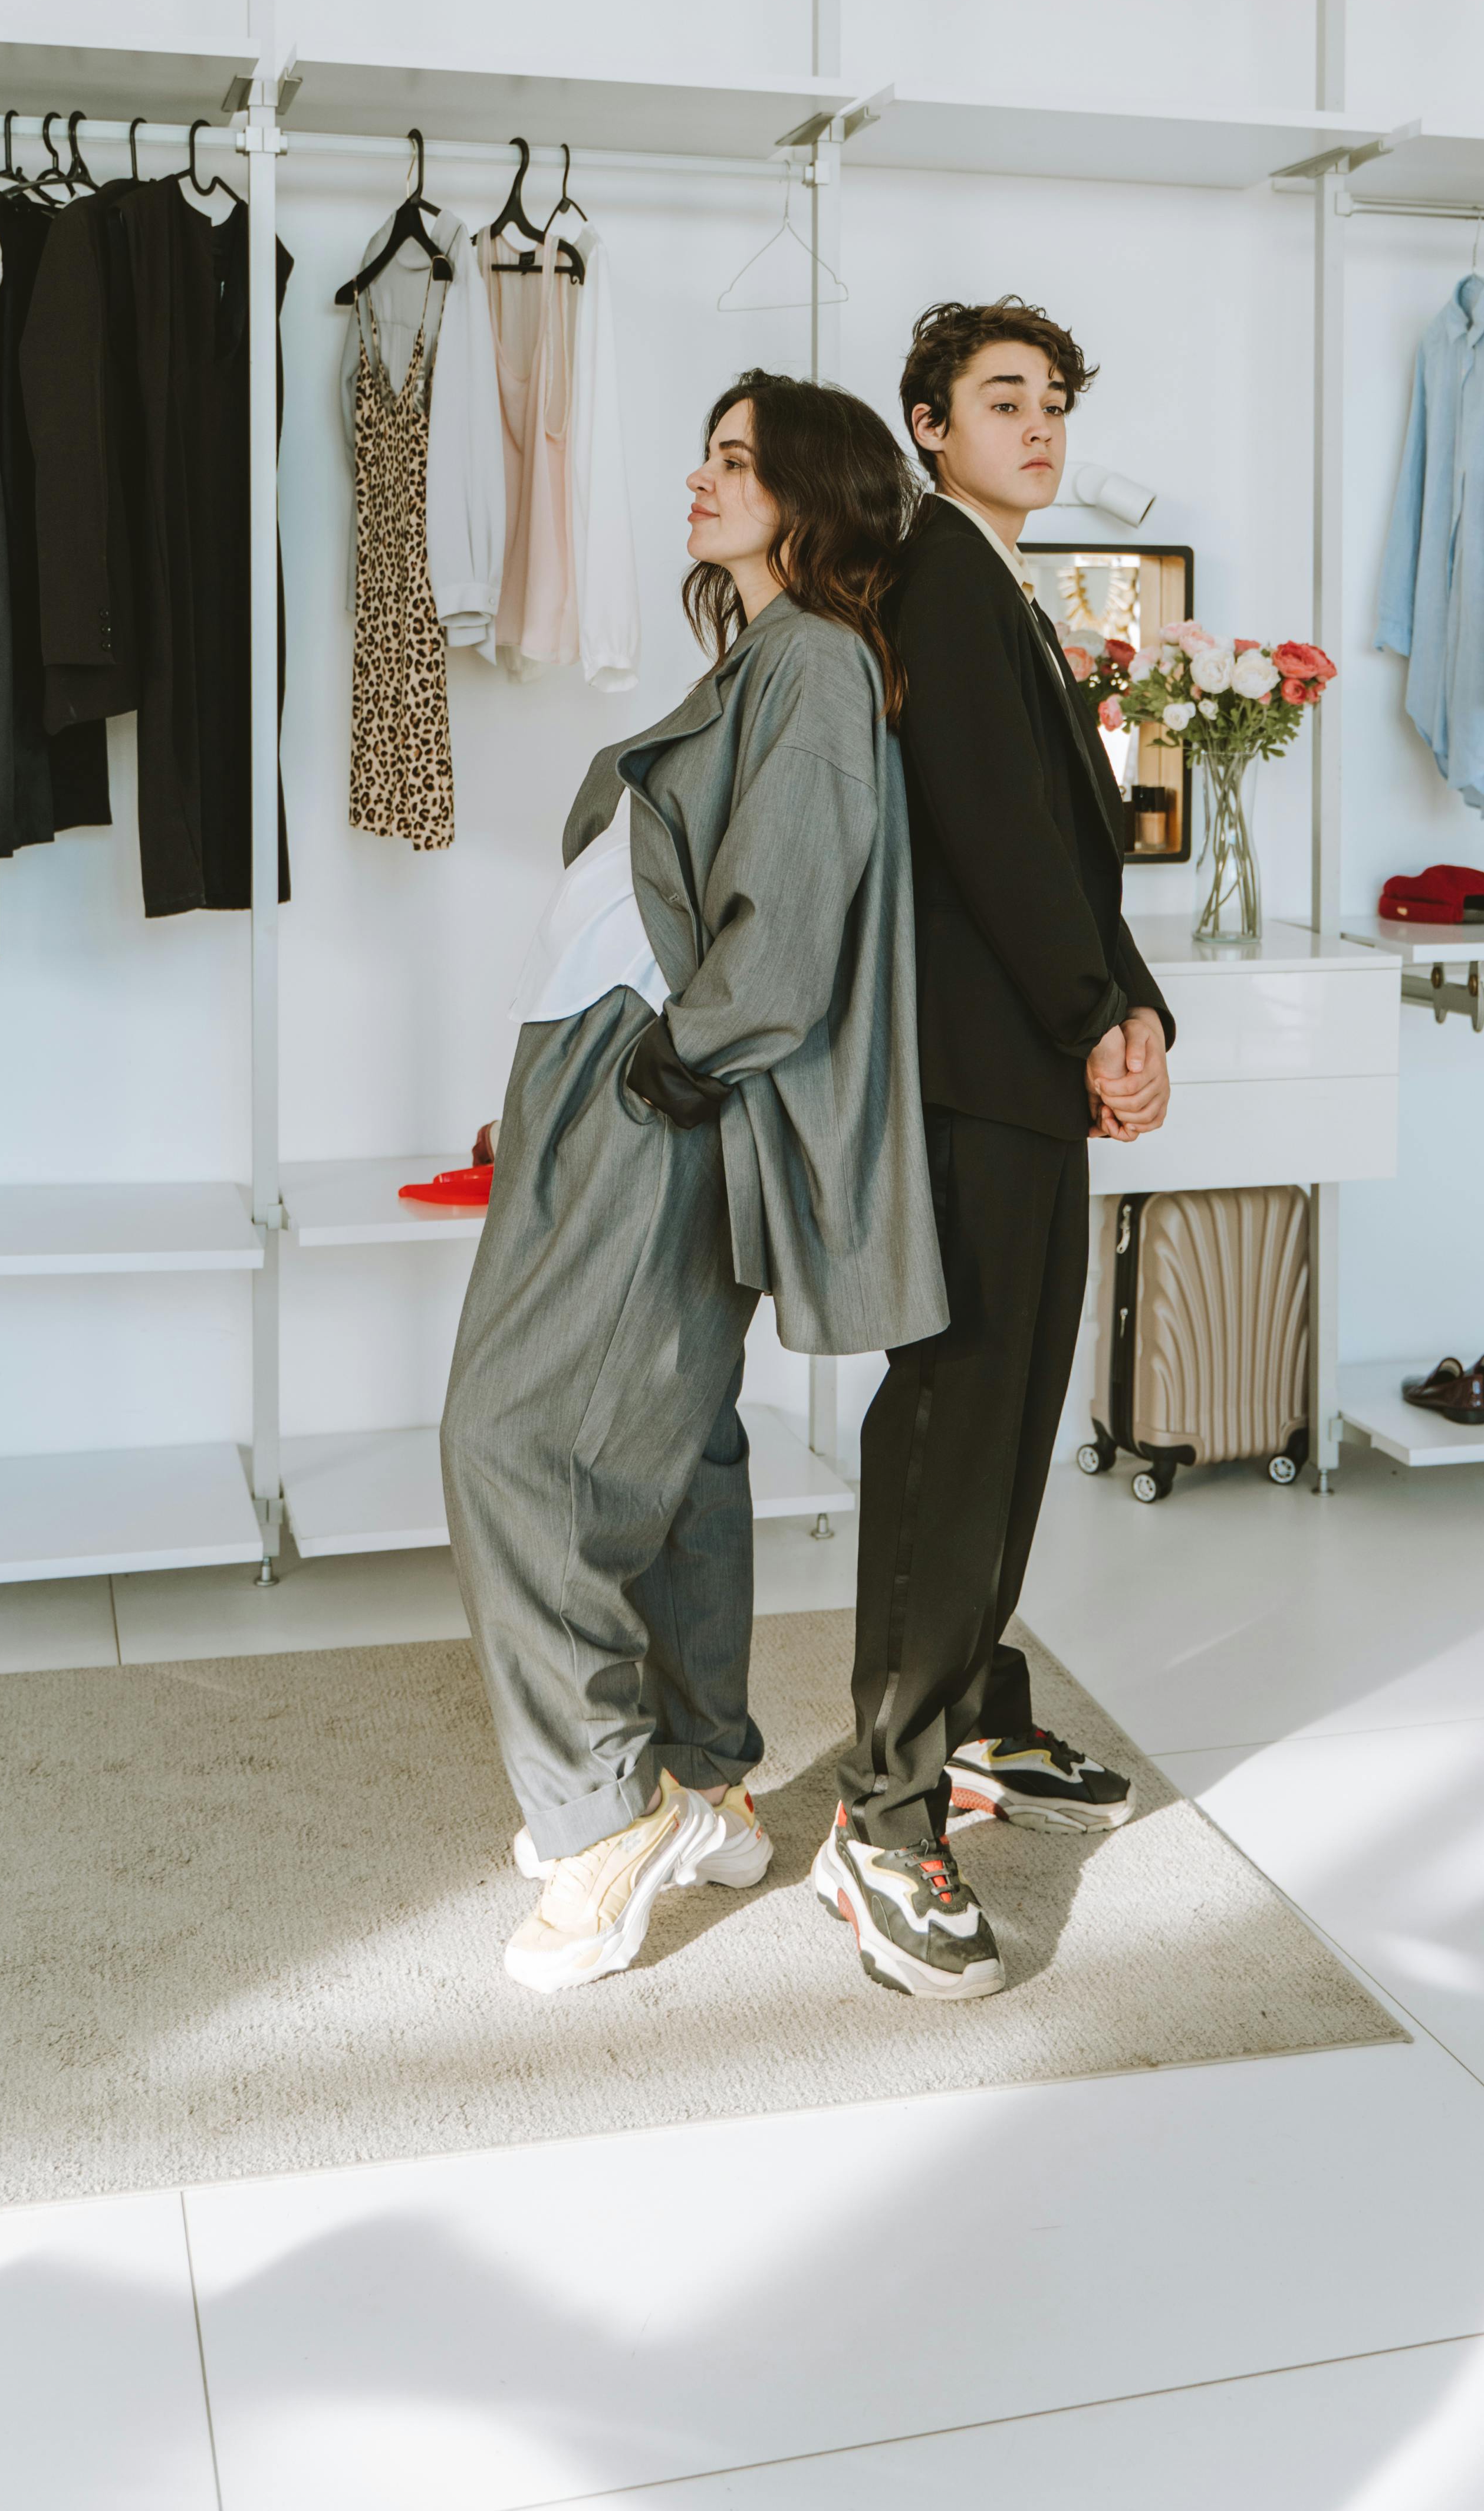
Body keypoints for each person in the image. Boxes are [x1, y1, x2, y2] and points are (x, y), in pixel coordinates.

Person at [443, 367, 943, 1996]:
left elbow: (786, 917)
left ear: (810, 495)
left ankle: (602, 1823)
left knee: (517, 1439)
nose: (701, 478)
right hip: (599, 1075)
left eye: (738, 459)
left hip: (652, 1083)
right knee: (676, 1447)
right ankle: (711, 1783)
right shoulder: (762, 660)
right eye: (707, 450)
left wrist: (675, 1062)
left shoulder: (807, 662)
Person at [817, 297, 1173, 2001]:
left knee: (1011, 1415)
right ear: (929, 425)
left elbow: (1068, 844)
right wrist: (1099, 1010)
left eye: (1053, 401)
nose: (1039, 426)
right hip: (977, 1074)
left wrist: (1133, 1002)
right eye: (1004, 401)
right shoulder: (945, 577)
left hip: (1023, 1066)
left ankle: (969, 1723)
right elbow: (990, 832)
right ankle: (882, 1816)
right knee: (959, 1421)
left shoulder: (997, 586)